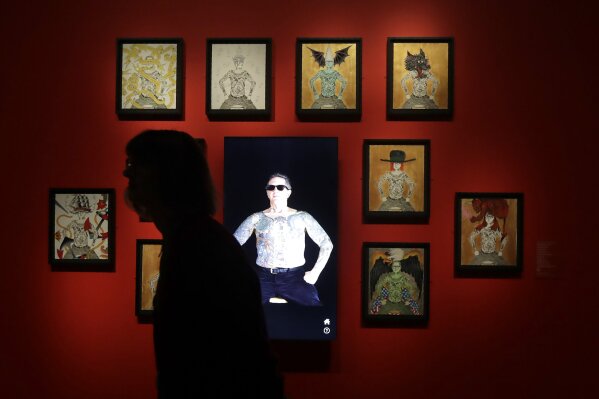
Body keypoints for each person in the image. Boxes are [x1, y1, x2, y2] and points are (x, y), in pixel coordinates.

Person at [123, 130, 284, 398]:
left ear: (164, 175)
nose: (127, 176)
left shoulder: (198, 247)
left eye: (134, 165)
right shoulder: (196, 240)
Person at [233, 173, 333, 306]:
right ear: (267, 192)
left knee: (314, 308)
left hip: (294, 278)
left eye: (280, 187)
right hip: (264, 277)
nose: (275, 191)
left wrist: (315, 273)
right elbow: (232, 244)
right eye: (271, 187)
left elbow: (326, 243)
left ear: (288, 192)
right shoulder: (256, 218)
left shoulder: (302, 217)